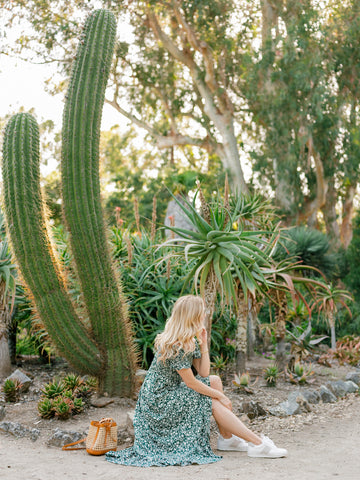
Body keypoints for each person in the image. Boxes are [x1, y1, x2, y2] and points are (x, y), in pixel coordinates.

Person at [106, 295, 287, 467]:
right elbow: (192, 383)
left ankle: (228, 439)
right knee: (211, 401)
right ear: (193, 315)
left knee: (214, 380)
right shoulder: (175, 344)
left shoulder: (189, 339)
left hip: (171, 392)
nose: (205, 314)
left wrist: (203, 343)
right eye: (202, 311)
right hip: (158, 402)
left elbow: (203, 372)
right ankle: (257, 443)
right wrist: (220, 397)